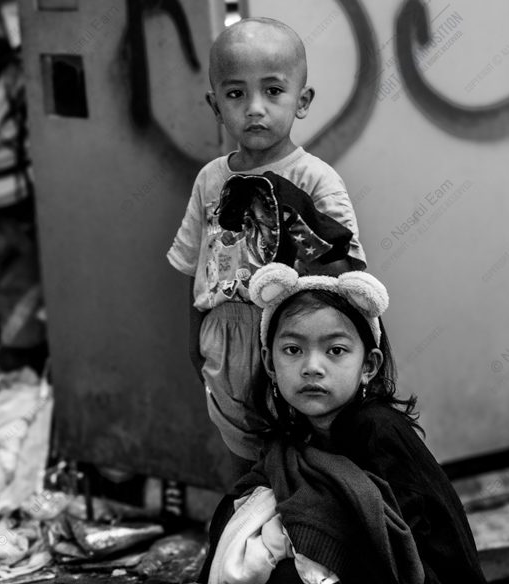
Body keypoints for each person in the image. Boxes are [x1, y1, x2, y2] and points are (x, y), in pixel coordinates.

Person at [199, 263, 487, 583]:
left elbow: (399, 540)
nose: (312, 367)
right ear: (269, 362)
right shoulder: (294, 434)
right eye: (293, 350)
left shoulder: (376, 429)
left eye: (335, 350)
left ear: (368, 365)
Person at [166, 17, 366, 468]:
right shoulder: (211, 179)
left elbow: (349, 275)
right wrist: (194, 338)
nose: (255, 108)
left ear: (302, 100)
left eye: (273, 91)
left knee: (302, 457)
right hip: (224, 340)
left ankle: (299, 534)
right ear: (215, 105)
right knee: (242, 454)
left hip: (291, 339)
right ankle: (246, 534)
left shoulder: (314, 179)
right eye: (236, 94)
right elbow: (193, 262)